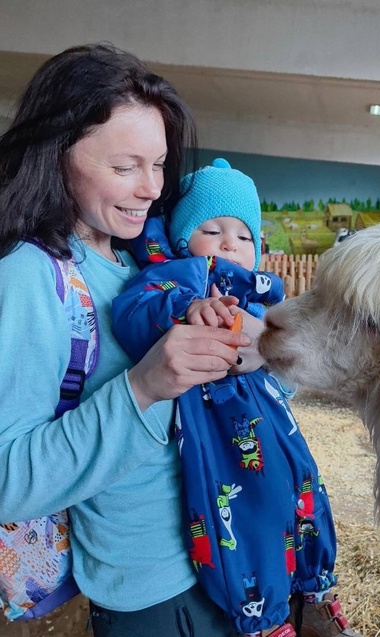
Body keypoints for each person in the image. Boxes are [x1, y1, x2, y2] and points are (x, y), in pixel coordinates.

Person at [0, 44, 259, 637]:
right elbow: (8, 481)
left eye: (160, 165)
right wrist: (143, 386)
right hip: (151, 589)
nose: (150, 189)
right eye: (125, 168)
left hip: (226, 560)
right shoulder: (32, 276)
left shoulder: (147, 260)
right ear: (56, 157)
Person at [111, 159, 363, 637]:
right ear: (185, 239)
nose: (230, 243)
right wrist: (188, 307)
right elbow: (134, 310)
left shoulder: (263, 298)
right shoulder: (180, 276)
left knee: (304, 492)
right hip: (219, 431)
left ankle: (315, 592)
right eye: (212, 229)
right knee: (242, 518)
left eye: (244, 236)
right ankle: (264, 619)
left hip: (275, 426)